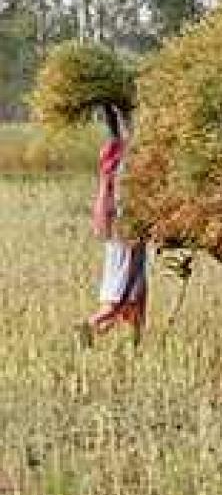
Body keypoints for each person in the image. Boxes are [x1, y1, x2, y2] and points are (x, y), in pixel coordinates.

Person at [77, 105, 147, 347]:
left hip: (127, 227)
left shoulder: (115, 150)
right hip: (124, 227)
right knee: (117, 298)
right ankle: (87, 329)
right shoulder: (120, 152)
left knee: (137, 296)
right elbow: (117, 191)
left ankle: (135, 346)